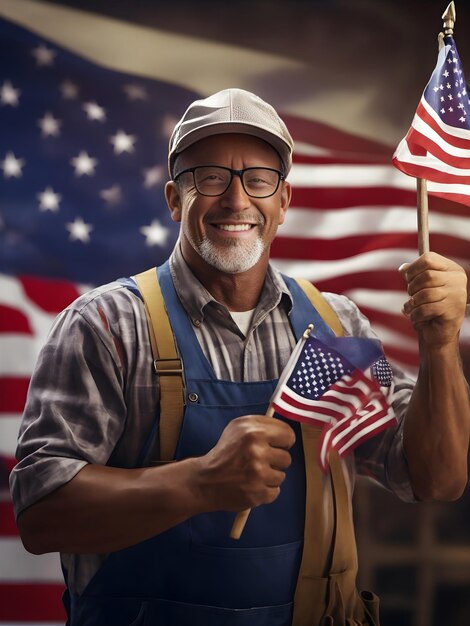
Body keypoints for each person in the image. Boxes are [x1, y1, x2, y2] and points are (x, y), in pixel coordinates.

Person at [10, 88, 470, 626]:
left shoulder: (338, 327)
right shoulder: (106, 326)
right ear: (174, 199)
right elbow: (41, 514)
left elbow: (433, 478)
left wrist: (439, 343)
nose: (236, 200)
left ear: (283, 202)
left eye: (258, 179)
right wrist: (200, 482)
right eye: (210, 177)